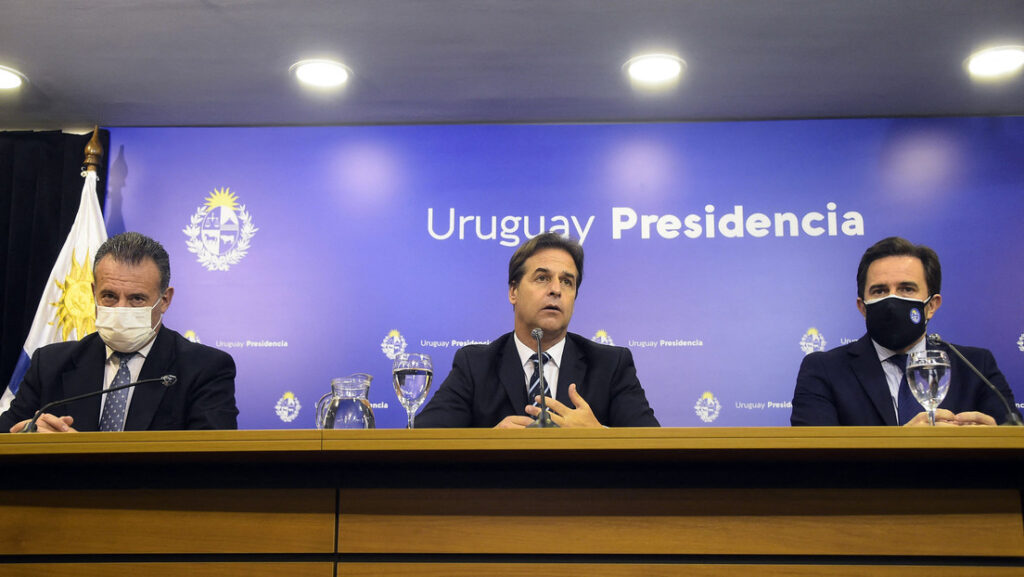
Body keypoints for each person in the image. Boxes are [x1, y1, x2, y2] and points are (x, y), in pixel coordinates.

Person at [0, 232, 239, 433]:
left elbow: (211, 463)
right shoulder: (50, 364)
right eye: (110, 296)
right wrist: (26, 435)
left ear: (164, 300)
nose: (121, 308)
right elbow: (7, 436)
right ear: (94, 293)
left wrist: (81, 454)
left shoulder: (205, 368)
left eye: (136, 298)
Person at [417, 232, 658, 428]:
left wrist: (597, 435)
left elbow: (653, 446)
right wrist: (489, 443)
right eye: (542, 278)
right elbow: (423, 440)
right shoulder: (475, 365)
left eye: (567, 281)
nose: (556, 289)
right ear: (513, 292)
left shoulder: (610, 365)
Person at [792, 236, 1020, 427]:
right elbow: (815, 459)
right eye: (880, 291)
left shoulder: (975, 366)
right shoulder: (824, 370)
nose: (892, 300)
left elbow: (1016, 439)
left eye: (906, 289)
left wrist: (996, 436)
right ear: (863, 307)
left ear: (931, 305)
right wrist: (902, 444)